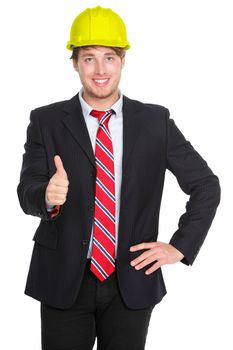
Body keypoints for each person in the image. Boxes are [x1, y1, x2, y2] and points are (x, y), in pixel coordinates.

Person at [17, 5, 221, 350]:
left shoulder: (155, 122)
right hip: (63, 275)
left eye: (109, 58)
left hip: (131, 278)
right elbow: (27, 191)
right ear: (74, 63)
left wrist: (180, 246)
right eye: (89, 58)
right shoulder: (46, 120)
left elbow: (205, 185)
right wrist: (46, 195)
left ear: (122, 61)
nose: (100, 70)